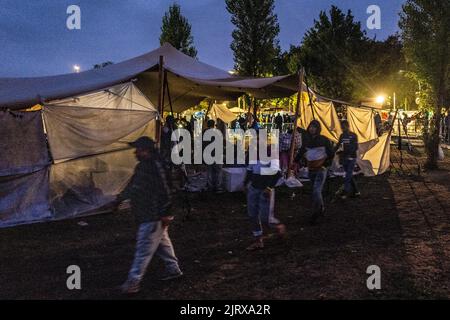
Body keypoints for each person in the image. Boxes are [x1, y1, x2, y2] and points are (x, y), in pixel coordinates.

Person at [115, 137, 182, 294]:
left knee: (143, 250)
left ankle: (133, 282)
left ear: (146, 150)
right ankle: (173, 270)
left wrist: (167, 213)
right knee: (163, 245)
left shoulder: (155, 166)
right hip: (149, 214)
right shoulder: (143, 167)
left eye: (138, 149)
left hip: (153, 215)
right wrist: (119, 199)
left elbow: (166, 191)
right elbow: (134, 187)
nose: (135, 152)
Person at [244, 137, 286, 250]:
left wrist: (269, 187)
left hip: (265, 190)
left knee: (265, 218)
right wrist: (245, 184)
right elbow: (249, 171)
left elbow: (277, 174)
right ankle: (258, 240)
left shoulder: (271, 154)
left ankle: (278, 227)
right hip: (253, 188)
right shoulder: (252, 154)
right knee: (252, 215)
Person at [296, 120, 334, 225]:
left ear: (318, 128)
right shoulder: (307, 140)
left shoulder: (324, 140)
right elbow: (302, 151)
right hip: (311, 169)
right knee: (315, 191)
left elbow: (331, 154)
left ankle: (316, 213)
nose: (312, 129)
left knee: (316, 191)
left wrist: (325, 165)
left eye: (314, 127)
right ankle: (321, 208)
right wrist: (294, 162)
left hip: (321, 170)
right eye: (310, 127)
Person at [335, 120, 360, 199]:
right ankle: (356, 191)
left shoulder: (353, 135)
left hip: (352, 158)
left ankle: (345, 192)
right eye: (341, 127)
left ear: (347, 126)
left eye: (343, 127)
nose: (342, 128)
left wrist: (348, 153)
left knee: (348, 175)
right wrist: (332, 151)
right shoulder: (342, 136)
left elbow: (355, 147)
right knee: (349, 175)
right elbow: (338, 145)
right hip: (344, 158)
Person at [203, 119, 224, 192]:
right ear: (214, 125)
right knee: (218, 171)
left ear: (207, 125)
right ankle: (218, 187)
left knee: (209, 171)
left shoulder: (204, 132)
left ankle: (210, 186)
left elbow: (202, 144)